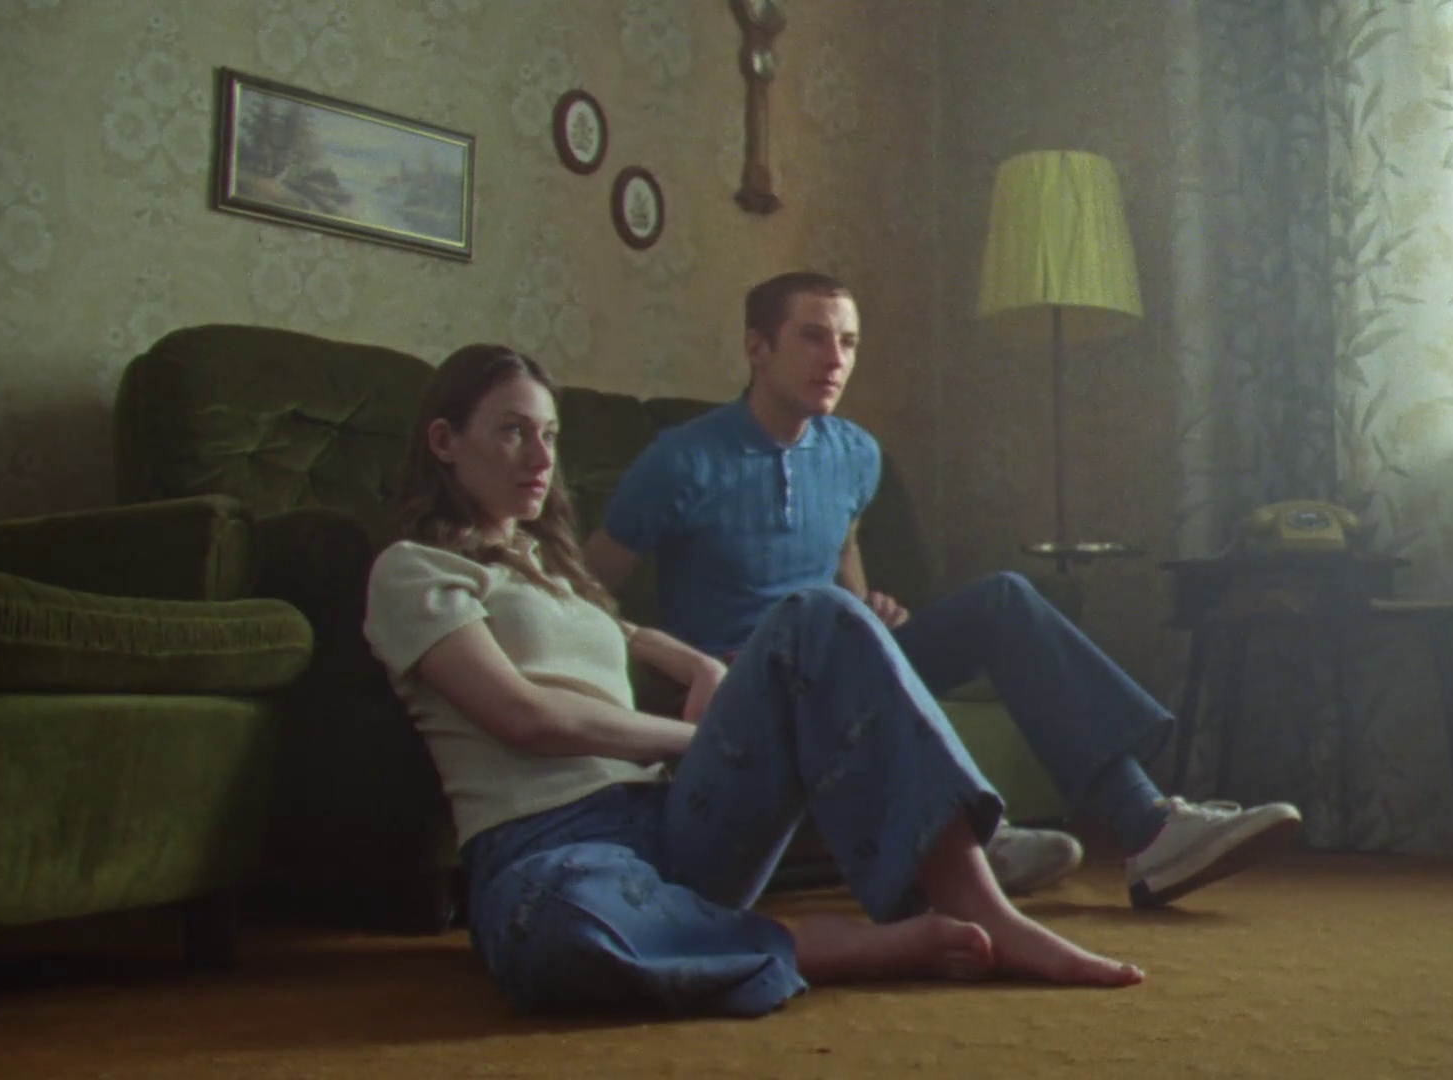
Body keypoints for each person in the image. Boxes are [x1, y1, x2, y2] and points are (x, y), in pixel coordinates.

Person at [364, 344, 1154, 1017]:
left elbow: (620, 632)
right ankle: (828, 947)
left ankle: (984, 909)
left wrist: (698, 663)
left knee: (820, 613)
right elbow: (526, 717)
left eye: (549, 436)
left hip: (672, 820)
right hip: (550, 848)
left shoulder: (550, 569)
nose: (542, 460)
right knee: (557, 933)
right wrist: (695, 735)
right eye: (513, 433)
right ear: (444, 440)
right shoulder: (415, 571)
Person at [582, 271, 1302, 905]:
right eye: (813, 337)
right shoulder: (681, 461)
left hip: (837, 664)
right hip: (750, 690)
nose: (835, 360)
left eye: (849, 342)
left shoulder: (855, 453)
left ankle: (1149, 828)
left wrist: (866, 608)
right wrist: (685, 663)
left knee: (1003, 599)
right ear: (756, 348)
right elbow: (581, 595)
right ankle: (964, 839)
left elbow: (842, 552)